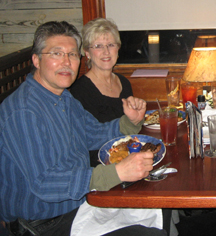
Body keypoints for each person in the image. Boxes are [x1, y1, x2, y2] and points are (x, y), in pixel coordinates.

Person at [0, 21, 167, 236]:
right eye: (56, 54)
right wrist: (116, 172)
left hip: (79, 203)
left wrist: (128, 122)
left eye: (71, 54)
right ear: (36, 60)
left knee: (155, 210)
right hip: (43, 222)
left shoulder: (64, 99)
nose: (66, 62)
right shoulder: (24, 111)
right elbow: (45, 183)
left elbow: (92, 133)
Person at [70, 18, 133, 166]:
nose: (106, 52)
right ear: (88, 53)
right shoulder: (79, 92)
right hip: (100, 166)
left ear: (117, 48)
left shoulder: (124, 83)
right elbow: (83, 142)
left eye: (110, 45)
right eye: (98, 46)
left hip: (128, 157)